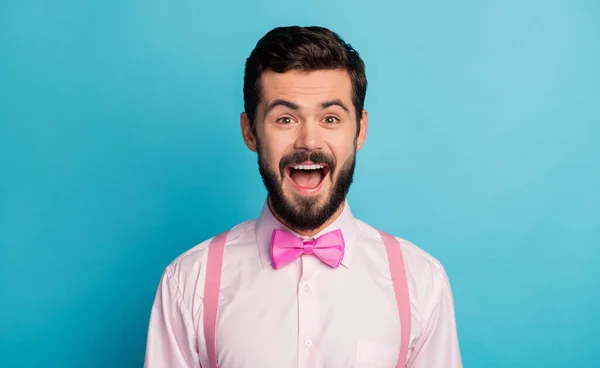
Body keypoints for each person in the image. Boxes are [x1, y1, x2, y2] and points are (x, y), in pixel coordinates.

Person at [143, 26, 462, 368]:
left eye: (330, 118)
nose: (309, 142)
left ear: (360, 129)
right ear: (250, 131)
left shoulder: (421, 282)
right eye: (285, 119)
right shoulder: (189, 283)